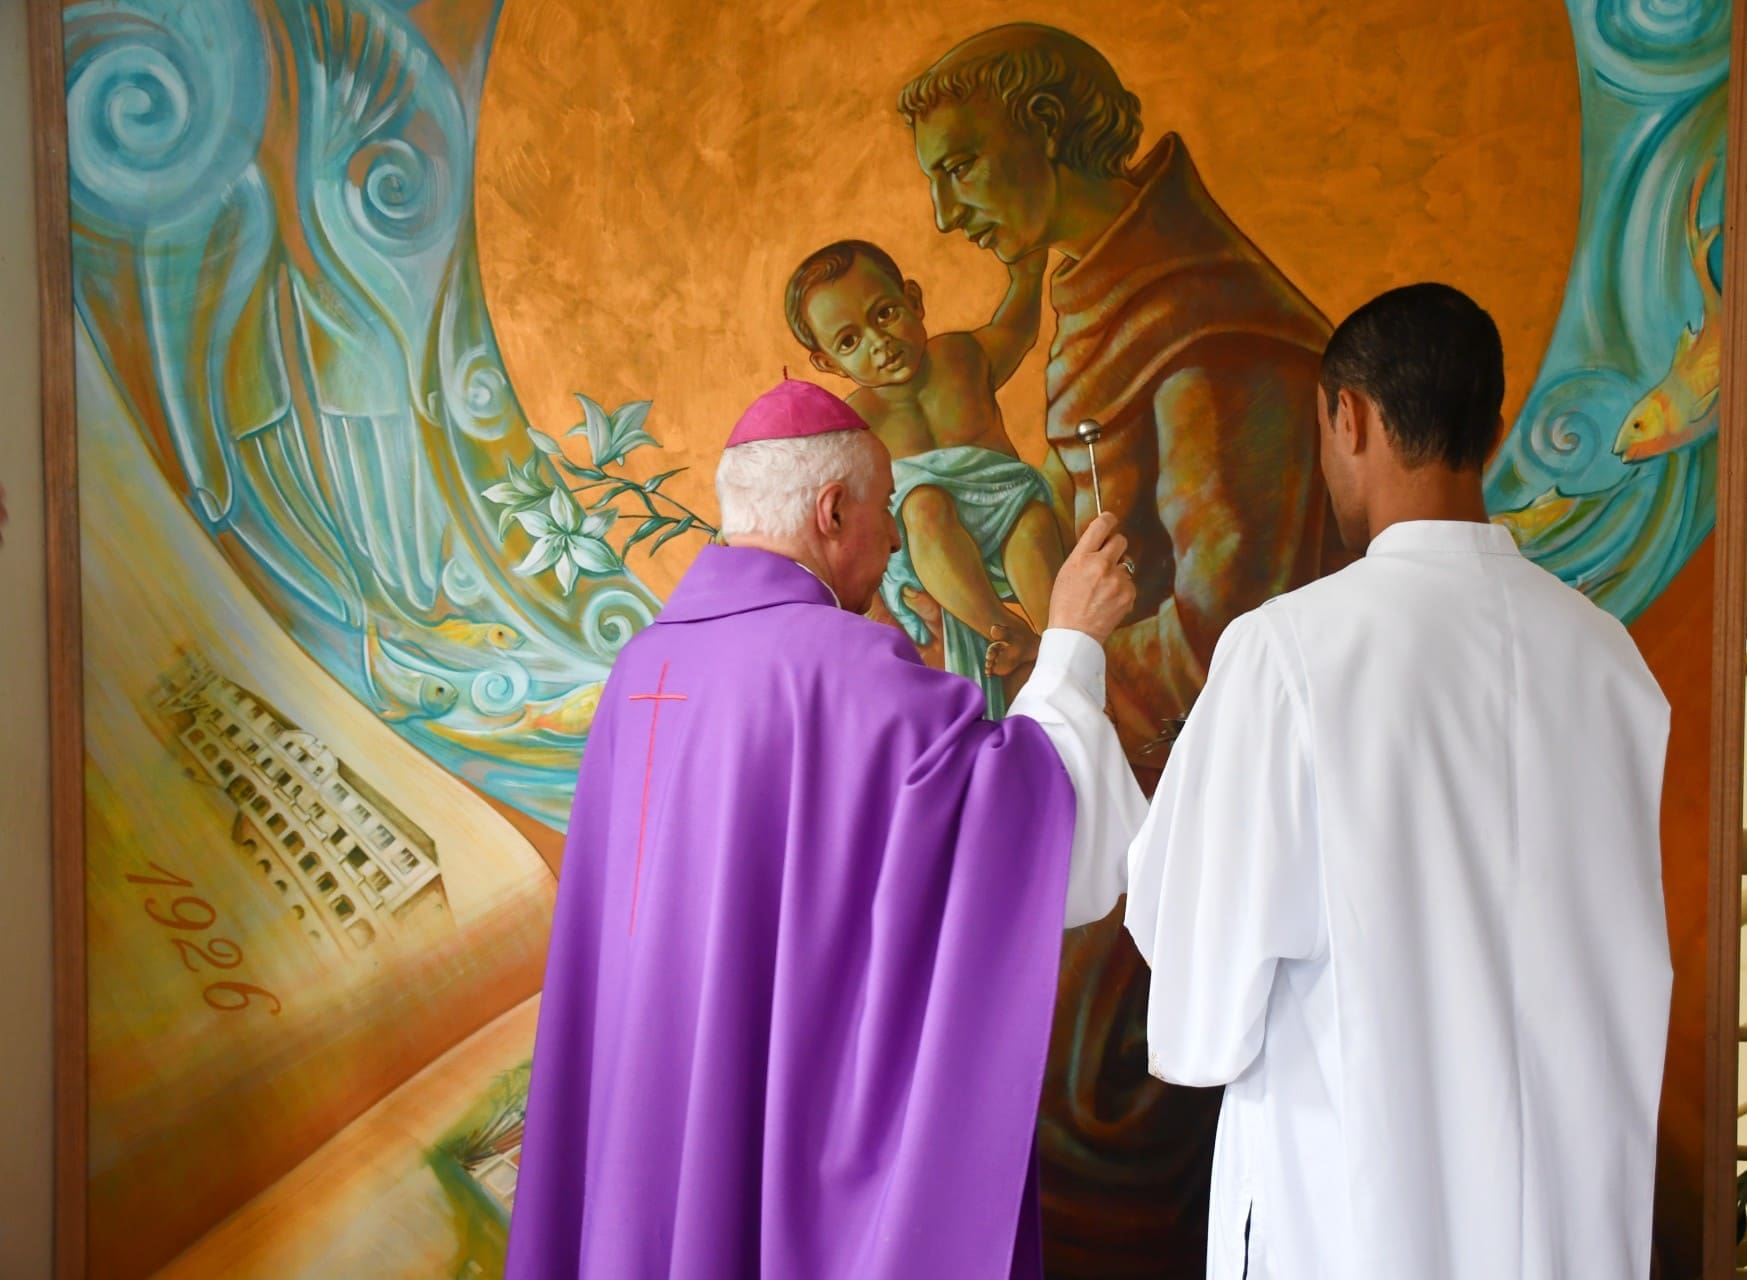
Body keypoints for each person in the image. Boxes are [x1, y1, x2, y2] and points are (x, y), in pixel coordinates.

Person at [505, 377, 1147, 1278]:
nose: (895, 540)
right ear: (833, 510)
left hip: (645, 1103)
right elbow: (1014, 820)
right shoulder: (844, 666)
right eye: (885, 509)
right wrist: (1072, 640)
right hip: (775, 1113)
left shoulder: (643, 667)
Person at [897, 23, 1347, 1263]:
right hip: (1124, 756)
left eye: (961, 165)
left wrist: (1059, 688)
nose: (944, 213)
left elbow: (1224, 629)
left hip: (1199, 796)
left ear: (1046, 128)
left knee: (1038, 1066)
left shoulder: (1208, 331)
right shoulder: (1106, 279)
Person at [1123, 284, 1672, 1279]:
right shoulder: (1609, 663)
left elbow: (1201, 1005)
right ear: (1491, 430)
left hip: (1356, 1224)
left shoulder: (1286, 654)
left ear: (1349, 417)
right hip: (1565, 1235)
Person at [787, 239, 1064, 710]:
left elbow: (1016, 329)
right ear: (828, 363)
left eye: (885, 314)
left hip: (1004, 506)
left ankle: (1063, 646)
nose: (879, 343)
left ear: (913, 301)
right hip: (928, 550)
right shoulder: (855, 426)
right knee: (923, 505)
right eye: (850, 341)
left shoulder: (962, 356)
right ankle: (1004, 630)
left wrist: (1028, 273)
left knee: (1034, 523)